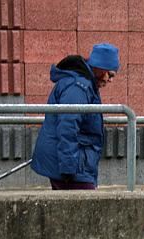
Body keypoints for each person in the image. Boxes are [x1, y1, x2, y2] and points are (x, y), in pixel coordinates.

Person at [31, 43, 120, 190]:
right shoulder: (79, 87)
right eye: (110, 75)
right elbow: (68, 127)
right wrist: (68, 168)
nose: (110, 80)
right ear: (100, 68)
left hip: (75, 163)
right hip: (73, 167)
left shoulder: (82, 84)